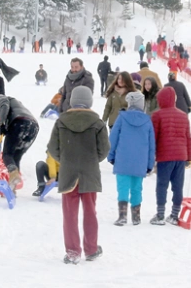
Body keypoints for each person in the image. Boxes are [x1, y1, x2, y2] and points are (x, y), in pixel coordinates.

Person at [47, 86, 109, 264]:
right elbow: (104, 149)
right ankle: (91, 249)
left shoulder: (61, 121)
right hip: (89, 172)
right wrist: (91, 159)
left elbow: (53, 148)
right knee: (90, 212)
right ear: (89, 101)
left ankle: (73, 251)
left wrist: (66, 160)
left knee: (69, 214)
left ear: (72, 100)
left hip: (69, 173)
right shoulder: (97, 123)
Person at [108, 91, 155, 226]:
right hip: (140, 162)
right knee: (137, 188)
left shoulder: (122, 118)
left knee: (123, 187)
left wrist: (111, 156)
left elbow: (113, 138)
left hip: (123, 159)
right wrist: (149, 163)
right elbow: (152, 144)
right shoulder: (147, 121)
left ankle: (122, 216)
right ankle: (136, 217)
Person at [150, 87, 191, 225]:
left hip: (165, 157)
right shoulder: (183, 115)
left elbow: (153, 138)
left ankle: (160, 215)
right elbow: (188, 138)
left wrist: (151, 156)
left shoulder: (157, 115)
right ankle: (175, 215)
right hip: (181, 156)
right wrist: (189, 157)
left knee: (162, 185)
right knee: (178, 186)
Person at [0, 94, 40, 192]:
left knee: (7, 155)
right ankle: (12, 188)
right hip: (34, 127)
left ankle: (13, 174)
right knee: (15, 157)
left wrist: (2, 124)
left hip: (19, 123)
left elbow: (4, 106)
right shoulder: (18, 104)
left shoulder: (1, 98)